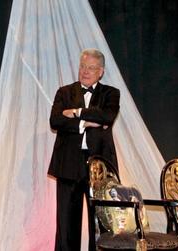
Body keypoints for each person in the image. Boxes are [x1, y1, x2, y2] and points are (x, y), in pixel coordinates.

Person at [48, 48, 120, 251]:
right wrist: (85, 123)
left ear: (101, 71)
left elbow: (107, 117)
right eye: (82, 66)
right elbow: (55, 120)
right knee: (66, 222)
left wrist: (77, 112)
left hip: (100, 166)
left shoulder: (111, 93)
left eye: (91, 68)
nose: (85, 71)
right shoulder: (64, 92)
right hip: (68, 163)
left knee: (101, 222)